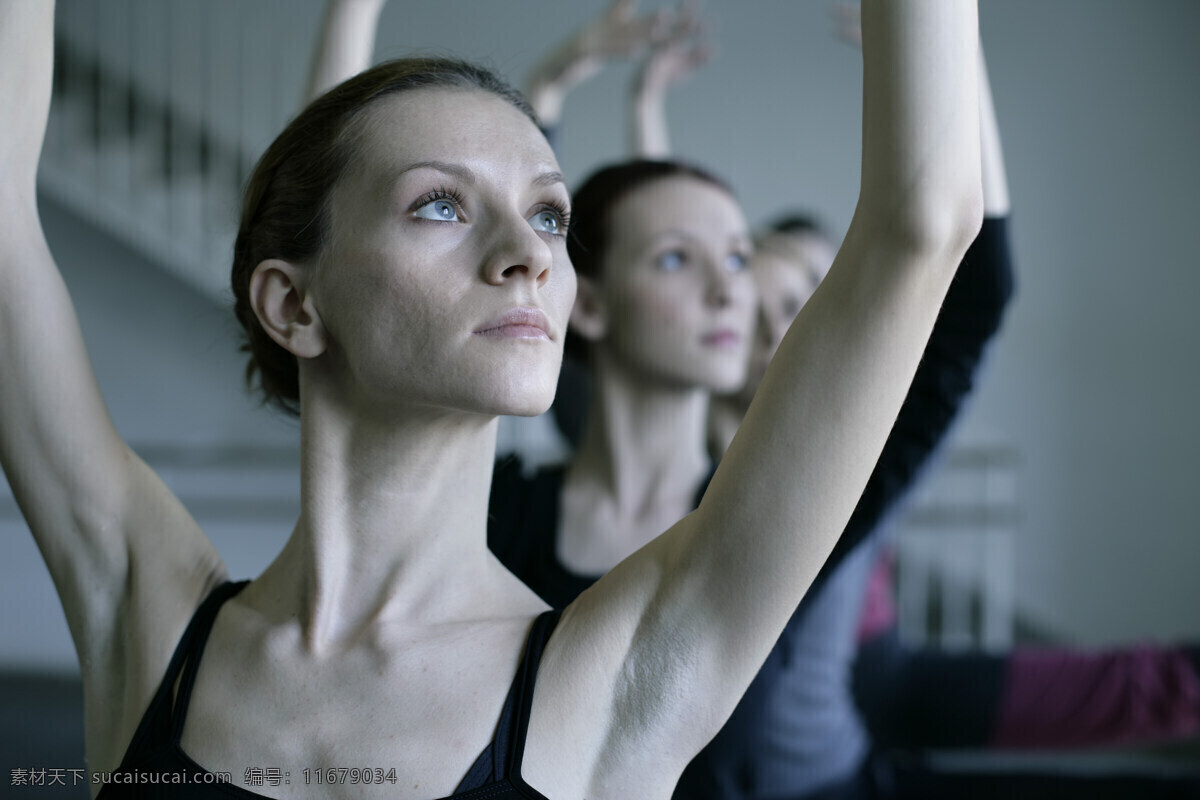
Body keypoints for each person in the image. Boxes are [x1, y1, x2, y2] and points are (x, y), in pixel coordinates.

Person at [0, 1, 984, 799]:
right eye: (441, 203)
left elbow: (922, 225)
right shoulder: (150, 616)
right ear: (294, 303)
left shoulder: (618, 675)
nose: (527, 253)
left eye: (549, 214)